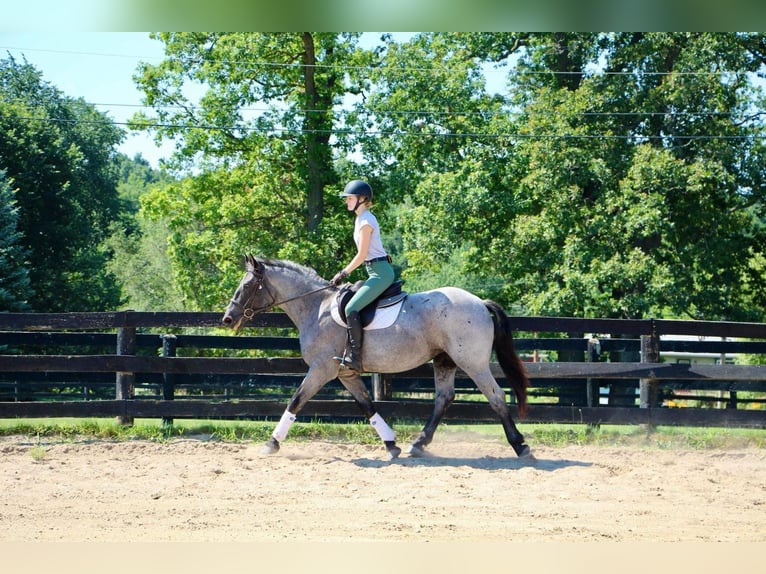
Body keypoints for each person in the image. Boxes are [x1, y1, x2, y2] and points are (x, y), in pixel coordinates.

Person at [331, 179, 395, 373]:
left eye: (350, 198)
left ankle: (356, 358)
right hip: (374, 270)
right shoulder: (360, 219)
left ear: (362, 199)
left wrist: (343, 273)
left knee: (351, 307)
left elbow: (361, 254)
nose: (347, 201)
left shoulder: (366, 221)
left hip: (381, 273)